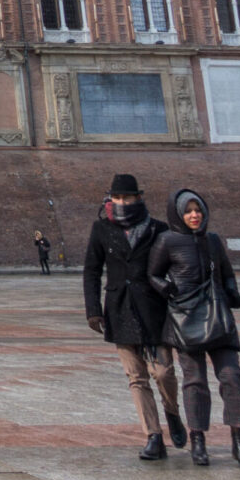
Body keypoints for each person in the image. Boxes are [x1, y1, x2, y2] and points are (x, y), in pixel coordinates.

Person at [82, 174, 186, 461]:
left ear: (138, 198)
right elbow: (92, 270)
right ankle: (153, 436)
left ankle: (172, 412)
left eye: (127, 198)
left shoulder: (157, 229)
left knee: (163, 373)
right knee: (136, 377)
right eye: (117, 198)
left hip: (153, 308)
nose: (122, 203)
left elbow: (173, 266)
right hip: (119, 308)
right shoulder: (102, 228)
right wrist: (93, 309)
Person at [148, 189, 240, 469]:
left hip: (218, 316)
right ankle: (198, 439)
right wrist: (168, 289)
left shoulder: (213, 240)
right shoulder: (167, 240)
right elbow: (153, 274)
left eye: (198, 210)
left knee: (231, 376)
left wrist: (231, 292)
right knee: (195, 381)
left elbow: (227, 272)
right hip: (186, 318)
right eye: (188, 211)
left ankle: (239, 440)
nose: (194, 215)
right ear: (178, 214)